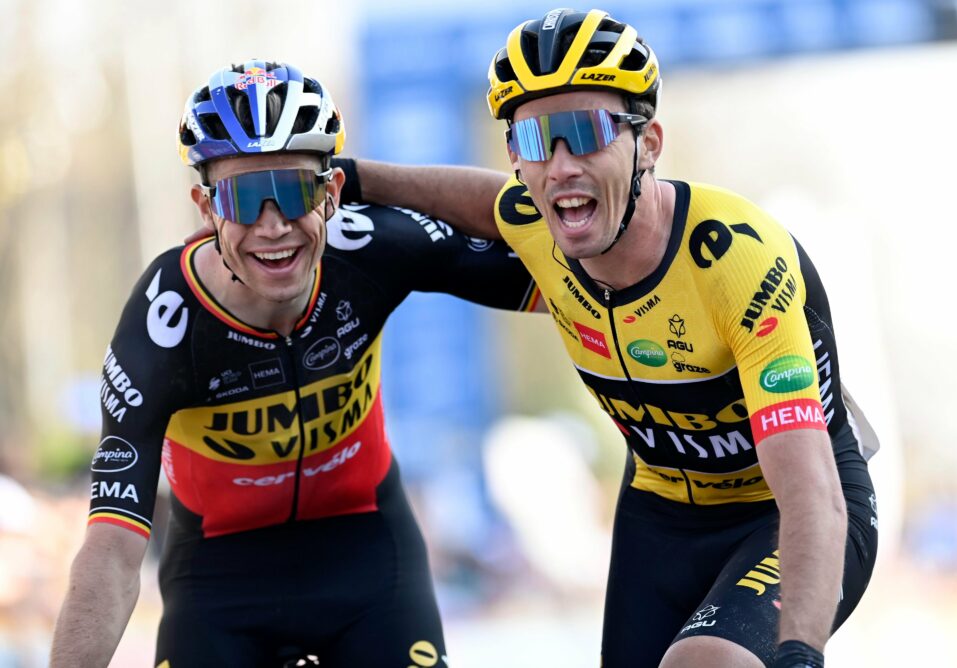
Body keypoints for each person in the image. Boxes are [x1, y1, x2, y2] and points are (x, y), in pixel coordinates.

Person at [342, 8, 879, 667]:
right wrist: (353, 178)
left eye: (585, 133)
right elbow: (481, 200)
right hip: (661, 511)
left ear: (648, 143)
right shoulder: (536, 220)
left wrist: (799, 654)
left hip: (784, 509)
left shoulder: (736, 260)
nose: (561, 166)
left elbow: (809, 495)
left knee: (705, 664)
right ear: (516, 158)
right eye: (536, 140)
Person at [49, 59, 540, 668]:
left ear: (331, 193)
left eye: (295, 191)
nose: (273, 226)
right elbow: (112, 552)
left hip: (366, 551)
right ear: (206, 206)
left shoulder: (368, 249)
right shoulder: (163, 324)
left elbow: (543, 235)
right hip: (219, 576)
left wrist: (367, 179)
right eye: (244, 198)